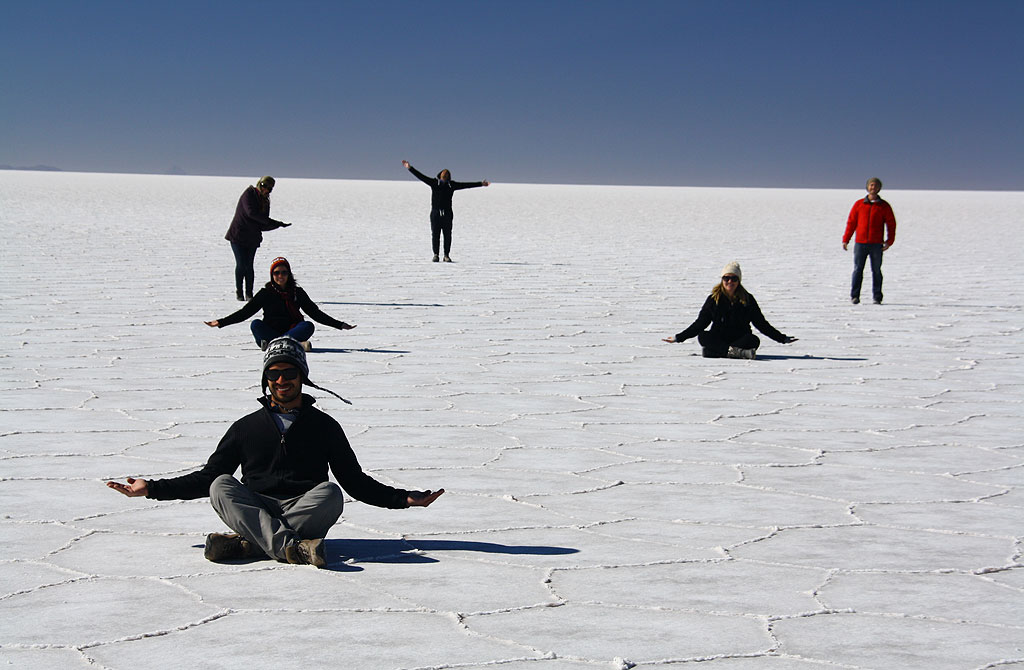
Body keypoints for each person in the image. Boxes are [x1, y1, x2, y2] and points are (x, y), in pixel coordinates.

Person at [106, 337, 445, 568]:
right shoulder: (246, 427)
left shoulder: (324, 426)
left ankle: (249, 544)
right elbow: (208, 477)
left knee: (330, 493)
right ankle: (292, 547)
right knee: (221, 485)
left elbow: (353, 480)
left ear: (302, 377)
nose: (281, 380)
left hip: (303, 506)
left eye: (289, 373)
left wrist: (402, 499)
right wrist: (151, 488)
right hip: (257, 505)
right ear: (266, 380)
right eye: (274, 374)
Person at [205, 257, 355, 351]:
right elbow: (246, 312)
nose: (280, 276)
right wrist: (221, 322)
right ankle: (293, 344)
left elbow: (315, 313)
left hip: (291, 331)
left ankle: (275, 344)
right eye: (276, 273)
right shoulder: (265, 293)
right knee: (256, 324)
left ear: (289, 274)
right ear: (272, 276)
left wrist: (340, 325)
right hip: (270, 331)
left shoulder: (297, 292)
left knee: (307, 326)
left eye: (284, 272)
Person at [662, 261, 797, 359]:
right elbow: (700, 323)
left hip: (740, 339)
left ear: (739, 281)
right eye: (726, 278)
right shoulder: (714, 299)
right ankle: (737, 353)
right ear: (722, 280)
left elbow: (761, 323)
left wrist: (782, 338)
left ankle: (720, 352)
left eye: (734, 278)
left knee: (753, 340)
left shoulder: (747, 299)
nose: (730, 282)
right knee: (703, 336)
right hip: (719, 338)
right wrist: (679, 338)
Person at [402, 159, 490, 262]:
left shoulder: (451, 185)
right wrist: (409, 168)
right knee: (435, 234)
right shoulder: (434, 183)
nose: (445, 178)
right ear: (440, 176)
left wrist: (480, 184)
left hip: (447, 214)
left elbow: (466, 185)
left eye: (447, 177)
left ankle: (446, 255)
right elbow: (421, 176)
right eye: (444, 177)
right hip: (435, 213)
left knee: (447, 235)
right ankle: (436, 254)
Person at [224, 176, 292, 302]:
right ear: (259, 184)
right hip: (238, 236)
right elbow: (251, 213)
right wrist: (273, 222)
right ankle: (239, 292)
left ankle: (249, 294)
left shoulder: (265, 201)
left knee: (249, 265)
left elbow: (262, 223)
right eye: (264, 186)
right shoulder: (249, 194)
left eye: (269, 189)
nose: (266, 190)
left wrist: (277, 225)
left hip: (252, 238)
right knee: (241, 264)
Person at [842, 177, 896, 305]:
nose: (873, 188)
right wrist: (846, 239)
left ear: (879, 188)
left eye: (876, 185)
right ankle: (855, 296)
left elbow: (891, 224)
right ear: (867, 187)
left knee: (876, 270)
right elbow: (851, 223)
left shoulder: (884, 206)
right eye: (871, 185)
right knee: (857, 270)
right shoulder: (859, 204)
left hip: (876, 244)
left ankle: (877, 297)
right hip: (861, 243)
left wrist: (889, 241)